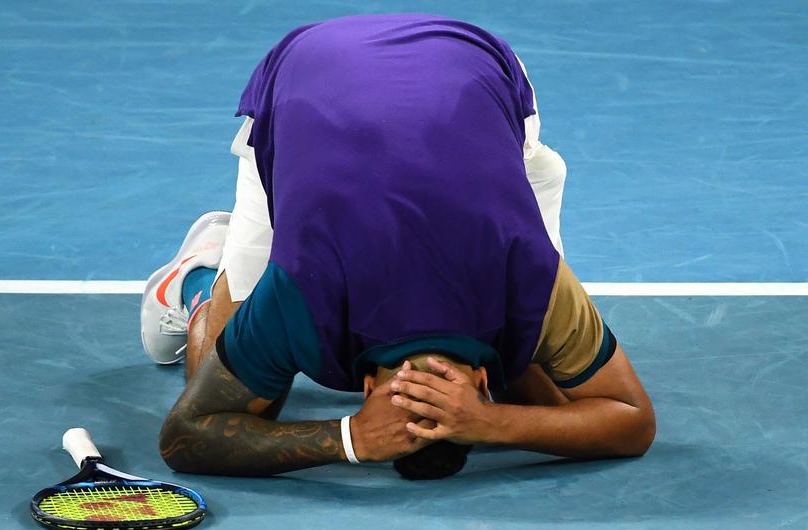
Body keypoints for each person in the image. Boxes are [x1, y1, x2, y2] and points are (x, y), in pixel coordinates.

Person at [142, 14, 655, 478]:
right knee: (534, 373)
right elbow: (632, 420)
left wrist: (354, 440)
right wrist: (487, 423)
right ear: (482, 375)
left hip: (329, 80)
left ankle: (203, 285)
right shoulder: (528, 281)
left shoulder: (303, 297)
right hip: (445, 65)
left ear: (366, 390)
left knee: (249, 394)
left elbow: (187, 433)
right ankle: (212, 269)